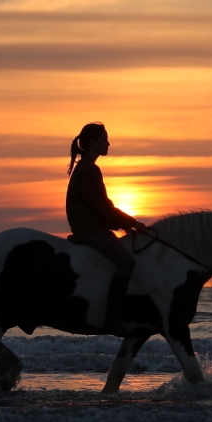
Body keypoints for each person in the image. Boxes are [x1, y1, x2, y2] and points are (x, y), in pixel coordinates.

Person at [66, 122, 146, 328]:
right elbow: (103, 207)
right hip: (90, 229)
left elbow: (101, 207)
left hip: (90, 226)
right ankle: (113, 317)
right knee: (126, 263)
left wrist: (121, 224)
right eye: (104, 139)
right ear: (93, 142)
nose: (108, 143)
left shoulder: (85, 167)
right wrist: (131, 222)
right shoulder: (90, 170)